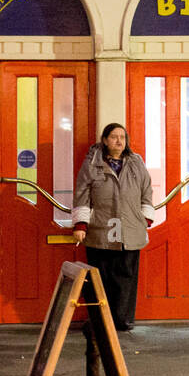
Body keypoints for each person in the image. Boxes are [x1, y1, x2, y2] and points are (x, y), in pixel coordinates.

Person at [72, 123, 155, 331]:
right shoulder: (92, 164)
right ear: (105, 140)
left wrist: (144, 219)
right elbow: (82, 193)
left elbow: (146, 191)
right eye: (114, 137)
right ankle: (101, 320)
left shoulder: (136, 163)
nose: (119, 141)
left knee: (126, 277)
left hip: (130, 231)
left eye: (122, 137)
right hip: (100, 230)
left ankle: (122, 320)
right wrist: (81, 224)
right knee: (100, 277)